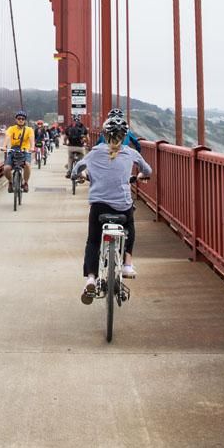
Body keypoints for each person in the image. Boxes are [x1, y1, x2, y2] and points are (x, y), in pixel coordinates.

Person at [72, 110, 152, 304]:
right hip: (122, 206)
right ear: (124, 137)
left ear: (105, 135)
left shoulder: (95, 152)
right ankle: (127, 264)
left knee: (92, 241)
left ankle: (91, 278)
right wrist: (141, 176)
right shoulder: (131, 153)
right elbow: (147, 170)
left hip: (99, 206)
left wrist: (80, 176)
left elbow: (76, 170)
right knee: (130, 225)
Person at [3, 111, 34, 192]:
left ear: (25, 120)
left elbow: (31, 140)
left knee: (27, 165)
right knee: (6, 168)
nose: (21, 120)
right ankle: (10, 182)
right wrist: (4, 146)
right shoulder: (11, 129)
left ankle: (25, 183)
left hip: (25, 151)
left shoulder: (29, 130)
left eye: (23, 119)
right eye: (19, 118)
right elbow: (7, 137)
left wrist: (32, 147)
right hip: (14, 150)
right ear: (16, 119)